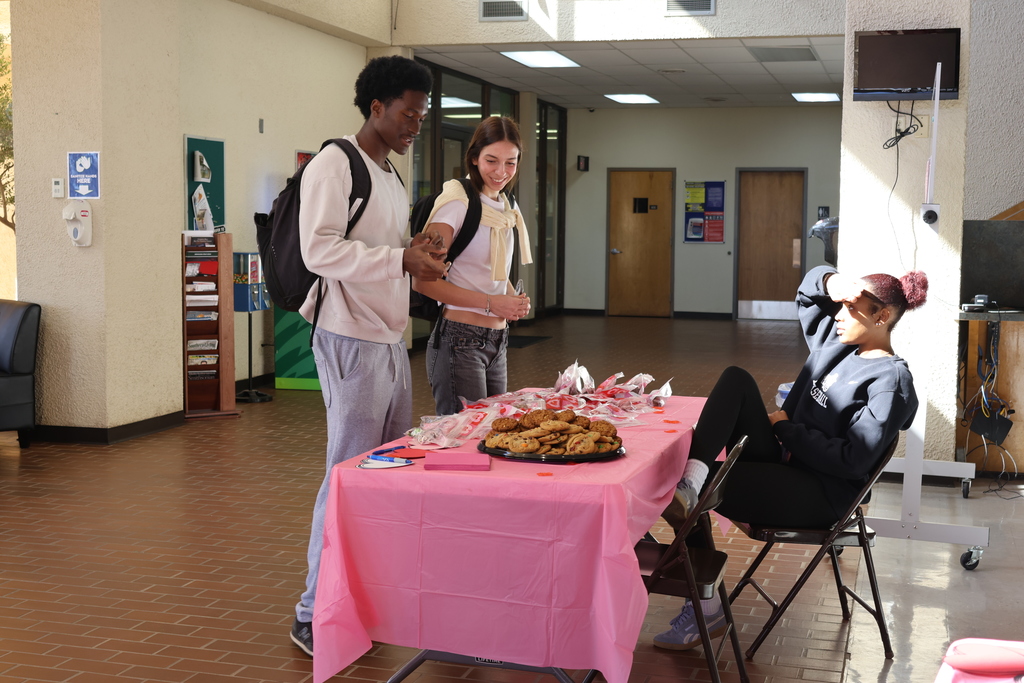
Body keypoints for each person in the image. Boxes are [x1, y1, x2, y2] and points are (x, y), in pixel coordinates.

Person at [654, 264, 928, 650]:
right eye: (841, 305)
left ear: (883, 317)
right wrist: (835, 283)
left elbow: (853, 461)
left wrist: (785, 429)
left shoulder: (890, 382)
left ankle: (705, 603)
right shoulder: (838, 342)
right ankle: (693, 480)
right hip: (788, 459)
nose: (837, 315)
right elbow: (807, 290)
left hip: (819, 492)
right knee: (736, 380)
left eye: (852, 308)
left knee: (677, 488)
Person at [290, 55, 448, 657]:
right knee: (347, 474)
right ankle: (311, 612)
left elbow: (380, 251)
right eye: (408, 115)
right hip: (348, 337)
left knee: (383, 474)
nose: (415, 126)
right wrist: (399, 261)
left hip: (386, 338)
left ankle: (361, 598)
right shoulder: (336, 165)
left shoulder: (389, 174)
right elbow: (318, 251)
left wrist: (415, 251)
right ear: (376, 107)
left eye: (421, 116)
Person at [412, 116, 533, 415]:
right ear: (474, 157)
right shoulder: (457, 203)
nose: (501, 172)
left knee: (493, 434)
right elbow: (424, 281)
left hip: (497, 341)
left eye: (511, 163)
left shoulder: (508, 206)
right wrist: (494, 303)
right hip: (459, 340)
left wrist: (511, 300)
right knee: (464, 441)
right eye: (492, 160)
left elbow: (493, 273)